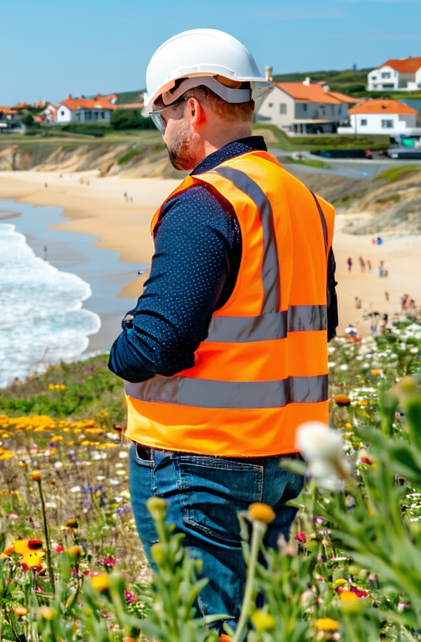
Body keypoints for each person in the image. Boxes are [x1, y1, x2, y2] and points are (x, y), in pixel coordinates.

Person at [111, 30, 337, 622]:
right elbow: (318, 324)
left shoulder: (206, 202)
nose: (162, 133)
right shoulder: (304, 201)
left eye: (160, 116)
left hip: (201, 460)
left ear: (192, 107)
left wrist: (121, 349)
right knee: (262, 622)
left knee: (208, 625)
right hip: (287, 454)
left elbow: (156, 343)